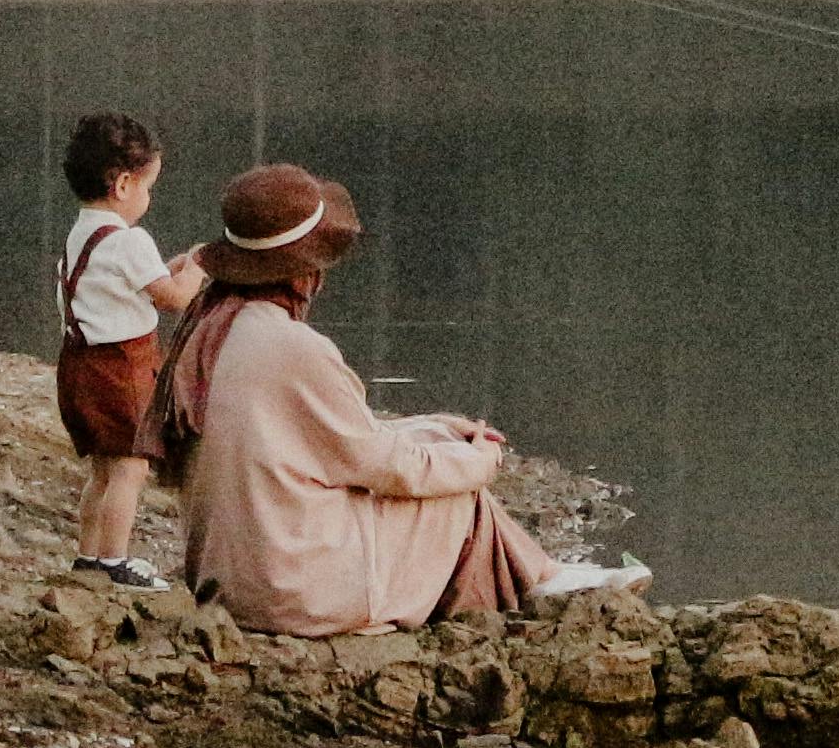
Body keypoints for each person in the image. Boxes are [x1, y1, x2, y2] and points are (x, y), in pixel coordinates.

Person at [143, 161, 644, 635]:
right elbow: (385, 466)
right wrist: (482, 460)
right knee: (457, 496)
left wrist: (439, 427)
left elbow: (337, 441)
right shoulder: (294, 349)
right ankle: (544, 582)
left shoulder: (211, 327)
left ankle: (544, 577)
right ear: (304, 272)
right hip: (289, 589)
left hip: (227, 579)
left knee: (436, 447)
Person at [58, 112, 206, 589]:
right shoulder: (129, 239)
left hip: (79, 365)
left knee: (102, 469)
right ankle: (115, 561)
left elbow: (132, 283)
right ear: (123, 184)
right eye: (148, 187)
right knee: (130, 467)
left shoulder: (83, 232)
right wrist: (199, 267)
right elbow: (174, 299)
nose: (149, 198)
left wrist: (172, 268)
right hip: (121, 367)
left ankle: (88, 556)